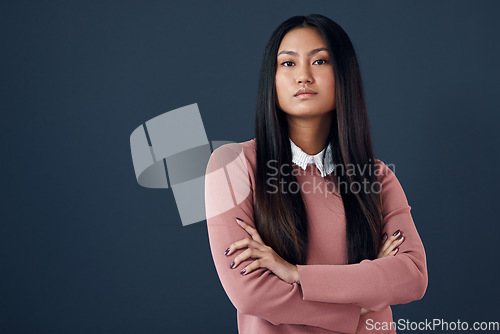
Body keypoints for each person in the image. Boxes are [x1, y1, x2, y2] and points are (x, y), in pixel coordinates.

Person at [204, 14, 427, 334]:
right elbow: (251, 293)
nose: (303, 76)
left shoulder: (376, 177)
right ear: (273, 78)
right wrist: (362, 305)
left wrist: (295, 274)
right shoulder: (232, 165)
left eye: (320, 61)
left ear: (344, 76)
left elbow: (412, 276)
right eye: (288, 63)